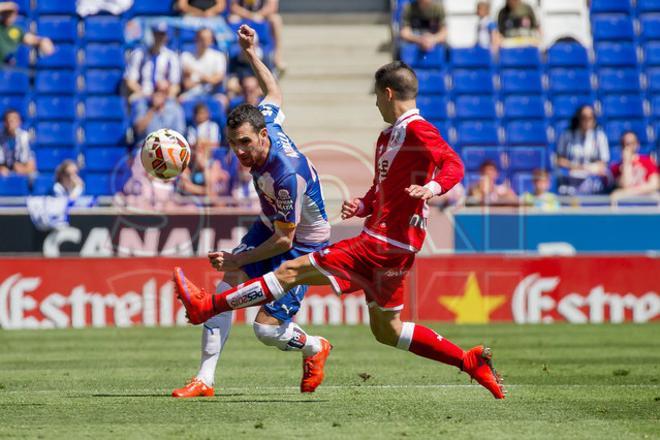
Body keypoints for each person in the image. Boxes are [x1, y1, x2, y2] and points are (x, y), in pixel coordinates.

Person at [173, 61, 506, 400]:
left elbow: (454, 164)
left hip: (377, 243)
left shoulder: (417, 129)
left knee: (289, 272)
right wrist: (364, 205)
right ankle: (468, 360)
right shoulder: (387, 137)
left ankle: (209, 307)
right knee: (387, 332)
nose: (375, 103)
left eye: (377, 97)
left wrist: (432, 189)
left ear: (388, 94)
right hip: (397, 248)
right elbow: (383, 187)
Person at [171, 24, 332, 398]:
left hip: (303, 243)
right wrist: (251, 54)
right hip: (271, 223)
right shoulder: (267, 120)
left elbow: (284, 240)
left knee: (266, 330)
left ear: (262, 137)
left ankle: (315, 346)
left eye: (244, 143)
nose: (239, 151)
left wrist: (235, 256)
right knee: (224, 289)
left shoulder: (285, 175)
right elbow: (273, 91)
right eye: (232, 144)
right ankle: (204, 380)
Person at [179, 103, 231, 200]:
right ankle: (205, 192)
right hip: (195, 163)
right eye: (199, 113)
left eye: (204, 113)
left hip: (209, 158)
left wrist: (202, 143)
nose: (202, 116)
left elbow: (215, 144)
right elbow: (192, 145)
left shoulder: (212, 126)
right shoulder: (191, 129)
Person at [556, 105, 610, 195]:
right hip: (571, 178)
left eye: (590, 117)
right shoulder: (567, 135)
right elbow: (559, 160)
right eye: (584, 117)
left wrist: (586, 168)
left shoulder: (600, 136)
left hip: (592, 178)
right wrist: (576, 167)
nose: (587, 121)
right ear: (578, 118)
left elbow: (603, 163)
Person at [124, 22, 181, 101]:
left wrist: (166, 96)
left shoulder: (171, 57)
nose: (158, 38)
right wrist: (144, 93)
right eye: (156, 34)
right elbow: (130, 81)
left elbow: (175, 85)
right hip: (143, 96)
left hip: (164, 97)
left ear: (166, 37)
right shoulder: (139, 54)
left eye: (162, 35)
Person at [229, 0, 285, 71]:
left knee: (276, 19)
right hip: (244, 15)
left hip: (262, 15)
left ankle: (277, 56)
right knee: (233, 18)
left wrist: (259, 14)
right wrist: (249, 15)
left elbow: (272, 7)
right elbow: (233, 7)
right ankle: (231, 52)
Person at [180, 28, 228, 107]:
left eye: (208, 39)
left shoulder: (219, 56)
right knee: (180, 100)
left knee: (223, 101)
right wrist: (207, 79)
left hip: (213, 93)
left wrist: (196, 75)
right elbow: (187, 84)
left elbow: (218, 79)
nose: (205, 42)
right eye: (202, 38)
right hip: (191, 93)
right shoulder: (186, 56)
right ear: (196, 39)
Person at [610, 131, 659, 202]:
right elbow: (626, 185)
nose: (628, 147)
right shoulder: (616, 167)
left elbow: (655, 184)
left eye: (631, 143)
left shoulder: (647, 161)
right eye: (625, 144)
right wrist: (627, 163)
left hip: (647, 202)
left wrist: (628, 193)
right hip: (627, 204)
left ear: (637, 144)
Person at [0, 109, 34, 176]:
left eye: (15, 120)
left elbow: (32, 166)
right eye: (9, 120)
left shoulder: (25, 137)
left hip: (21, 173)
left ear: (19, 122)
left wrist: (22, 170)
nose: (11, 123)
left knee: (33, 176)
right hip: (3, 174)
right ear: (5, 123)